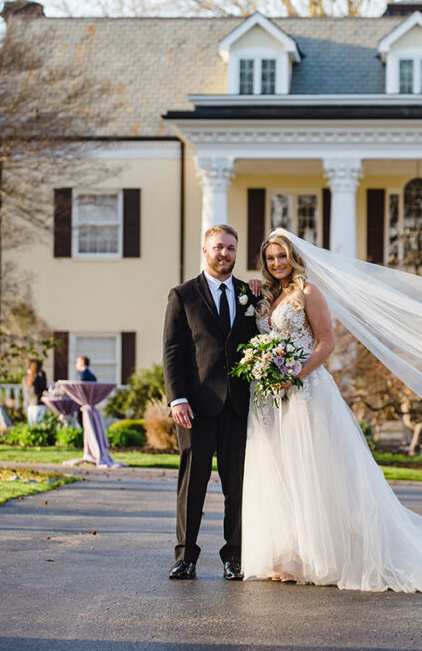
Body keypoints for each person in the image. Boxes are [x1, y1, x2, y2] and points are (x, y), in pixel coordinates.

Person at [241, 232, 422, 593]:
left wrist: (295, 374)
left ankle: (322, 556)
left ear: (293, 257)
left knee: (314, 473)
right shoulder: (267, 296)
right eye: (270, 258)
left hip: (305, 392)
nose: (276, 263)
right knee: (281, 472)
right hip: (269, 398)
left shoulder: (309, 294)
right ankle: (287, 556)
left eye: (281, 256)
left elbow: (326, 342)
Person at [163, 224, 259, 581]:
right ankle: (185, 556)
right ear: (205, 251)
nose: (225, 253)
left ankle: (233, 557)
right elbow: (173, 352)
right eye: (218, 247)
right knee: (193, 486)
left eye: (231, 248)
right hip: (196, 407)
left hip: (238, 407)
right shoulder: (183, 295)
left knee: (238, 486)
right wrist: (177, 398)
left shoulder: (248, 294)